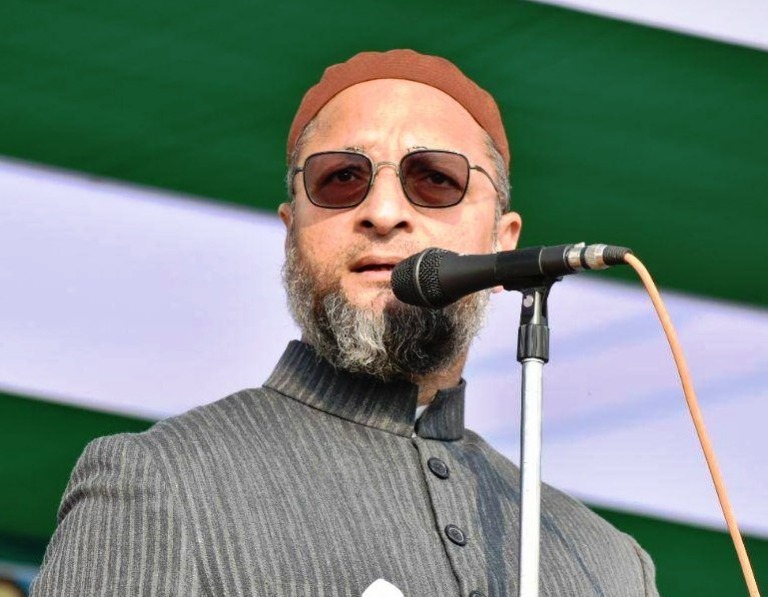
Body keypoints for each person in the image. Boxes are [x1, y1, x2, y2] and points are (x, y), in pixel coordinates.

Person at [31, 50, 658, 597]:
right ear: (292, 233)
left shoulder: (608, 566)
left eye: (434, 179)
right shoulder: (164, 481)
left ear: (502, 241)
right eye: (341, 179)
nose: (383, 212)